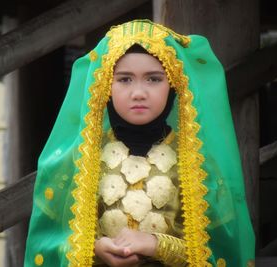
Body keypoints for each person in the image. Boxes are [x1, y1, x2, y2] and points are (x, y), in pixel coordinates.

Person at [24, 19, 255, 267]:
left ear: (174, 85)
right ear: (105, 86)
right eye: (124, 79)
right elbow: (50, 243)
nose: (138, 93)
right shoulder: (80, 160)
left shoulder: (198, 164)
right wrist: (93, 249)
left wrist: (157, 245)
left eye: (153, 79)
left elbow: (221, 251)